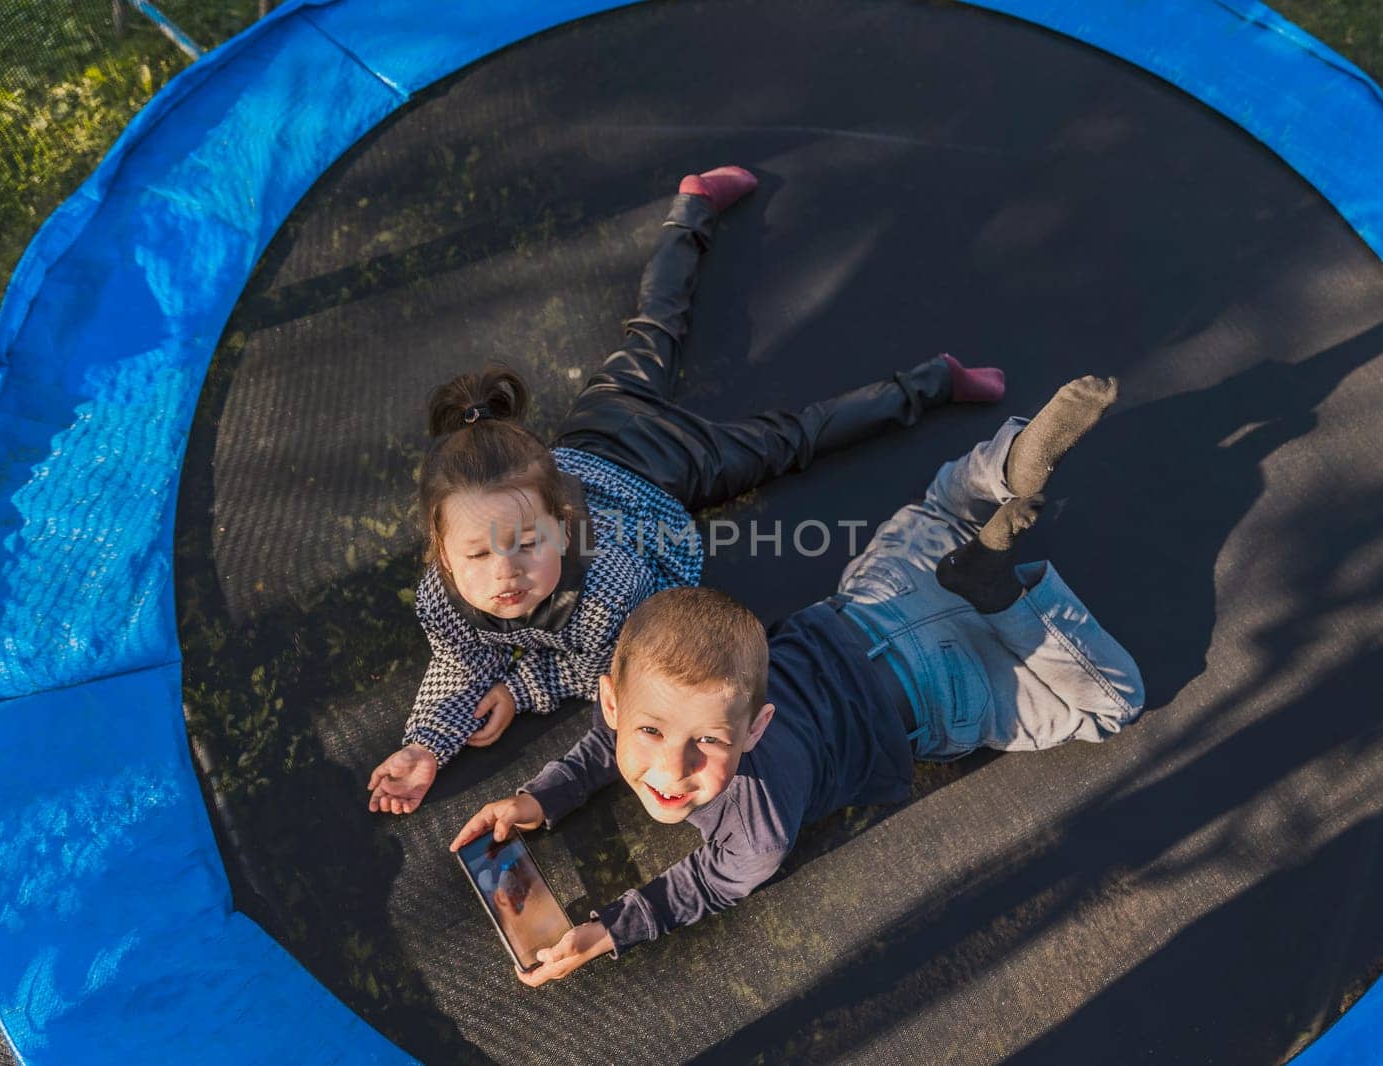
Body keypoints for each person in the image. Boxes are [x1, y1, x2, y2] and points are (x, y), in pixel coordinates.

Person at [450, 375, 1144, 984]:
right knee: (940, 507)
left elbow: (712, 883)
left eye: (709, 745)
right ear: (612, 702)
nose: (671, 769)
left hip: (942, 691)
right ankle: (1009, 465)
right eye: (652, 731)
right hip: (879, 600)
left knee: (1115, 704)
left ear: (757, 728)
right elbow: (607, 746)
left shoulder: (758, 827)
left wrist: (612, 928)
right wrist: (536, 801)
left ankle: (1006, 598)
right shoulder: (694, 712)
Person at [367, 165, 1007, 814]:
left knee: (782, 431)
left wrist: (518, 689)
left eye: (528, 543)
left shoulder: (610, 586)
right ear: (443, 556)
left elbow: (607, 673)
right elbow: (459, 655)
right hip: (594, 434)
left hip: (662, 468)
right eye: (477, 555)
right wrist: (425, 744)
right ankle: (697, 210)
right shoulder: (443, 598)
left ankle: (927, 380)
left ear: (560, 525)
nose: (505, 572)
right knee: (653, 331)